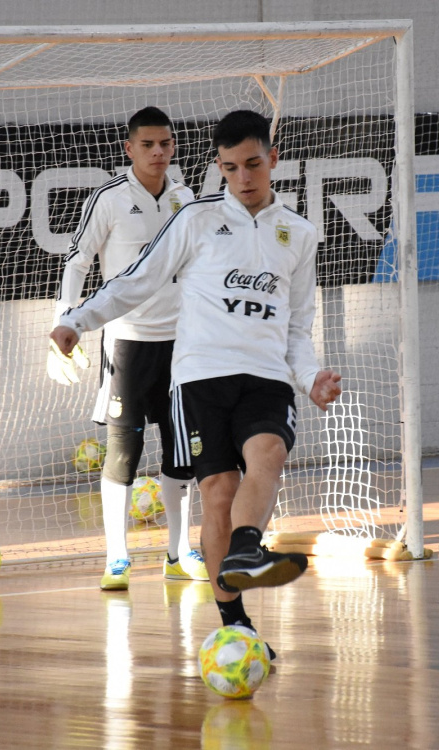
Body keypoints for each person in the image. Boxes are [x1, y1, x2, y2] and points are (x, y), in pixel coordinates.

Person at [51, 109, 342, 655]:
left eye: (253, 164)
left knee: (269, 453)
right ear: (219, 167)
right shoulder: (196, 219)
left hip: (266, 376)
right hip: (200, 377)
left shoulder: (300, 234)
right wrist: (77, 320)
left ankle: (247, 548)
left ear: (273, 159)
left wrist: (310, 380)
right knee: (218, 492)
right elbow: (136, 280)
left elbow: (298, 328)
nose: (243, 177)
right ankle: (236, 622)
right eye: (230, 168)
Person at [49, 106, 207, 591]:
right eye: (147, 144)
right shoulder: (110, 199)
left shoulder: (185, 198)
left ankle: (179, 553)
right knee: (123, 452)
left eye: (165, 143)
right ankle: (117, 557)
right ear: (129, 148)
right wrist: (64, 321)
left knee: (183, 451)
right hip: (128, 343)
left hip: (181, 346)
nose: (158, 152)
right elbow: (78, 260)